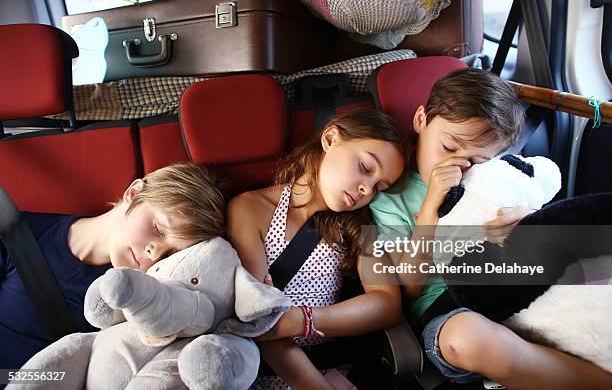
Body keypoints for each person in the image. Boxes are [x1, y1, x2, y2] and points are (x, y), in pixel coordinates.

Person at [369, 68, 612, 389]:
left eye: (477, 159)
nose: (458, 165)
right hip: (444, 308)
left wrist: (527, 219)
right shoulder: (391, 196)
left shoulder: (492, 178)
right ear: (421, 120)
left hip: (512, 285)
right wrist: (429, 209)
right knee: (467, 339)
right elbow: (410, 287)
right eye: (449, 147)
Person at [227, 109, 409, 389]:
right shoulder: (250, 209)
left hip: (330, 368)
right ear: (331, 138)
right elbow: (259, 320)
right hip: (261, 373)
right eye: (365, 167)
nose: (366, 189)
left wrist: (304, 320)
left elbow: (387, 303)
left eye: (378, 187)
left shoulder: (360, 226)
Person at [0, 162, 225, 370]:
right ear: (134, 193)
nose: (155, 253)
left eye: (171, 253)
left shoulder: (143, 302)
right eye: (158, 228)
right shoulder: (15, 234)